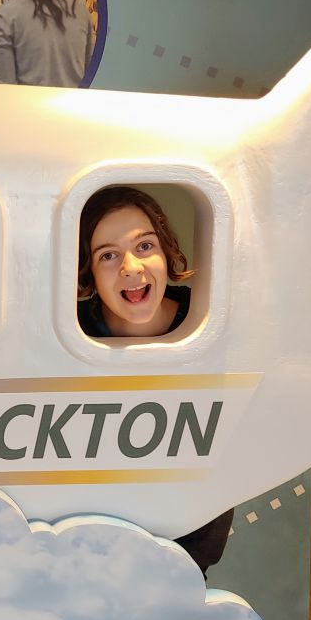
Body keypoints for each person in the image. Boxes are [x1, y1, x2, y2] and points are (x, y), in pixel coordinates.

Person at [77, 186, 233, 577]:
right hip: (87, 560)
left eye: (144, 246)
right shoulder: (70, 335)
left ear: (166, 252)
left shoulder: (211, 322)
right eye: (108, 255)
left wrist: (188, 565)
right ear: (89, 273)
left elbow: (218, 460)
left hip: (182, 563)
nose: (131, 266)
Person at [0, 0, 92, 87]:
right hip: (72, 110)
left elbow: (4, 85)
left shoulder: (8, 13)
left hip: (27, 110)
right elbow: (90, 69)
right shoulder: (79, 7)